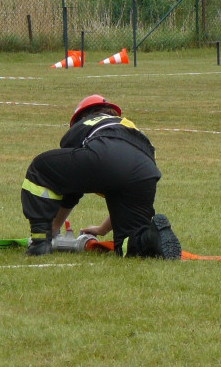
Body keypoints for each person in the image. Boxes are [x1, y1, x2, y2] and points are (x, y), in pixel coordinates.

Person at [21, 94, 181, 259]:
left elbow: (70, 187)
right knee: (126, 246)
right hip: (146, 170)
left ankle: (40, 242)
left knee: (40, 167)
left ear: (82, 115)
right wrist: (102, 230)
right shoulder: (129, 126)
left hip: (105, 154)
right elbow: (123, 197)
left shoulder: (84, 123)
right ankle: (152, 236)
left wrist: (53, 229)